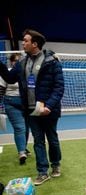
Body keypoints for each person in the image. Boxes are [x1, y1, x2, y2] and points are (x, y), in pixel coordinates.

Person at [0, 29, 64, 185]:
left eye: (26, 40)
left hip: (48, 110)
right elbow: (9, 77)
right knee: (38, 141)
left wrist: (48, 106)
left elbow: (59, 87)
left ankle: (55, 165)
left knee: (52, 139)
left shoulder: (52, 61)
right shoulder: (21, 63)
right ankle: (42, 172)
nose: (23, 43)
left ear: (35, 44)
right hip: (29, 110)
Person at [0, 53, 30, 164]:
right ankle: (21, 152)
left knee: (26, 128)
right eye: (15, 60)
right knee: (19, 127)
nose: (17, 62)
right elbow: (1, 90)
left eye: (19, 60)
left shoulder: (27, 72)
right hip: (11, 103)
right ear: (11, 62)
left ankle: (24, 147)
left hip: (26, 104)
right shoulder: (6, 73)